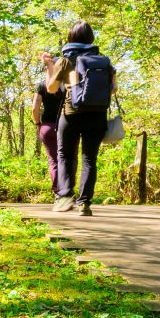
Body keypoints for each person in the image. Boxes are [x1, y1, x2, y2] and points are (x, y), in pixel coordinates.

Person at [50, 21, 114, 216]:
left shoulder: (65, 60)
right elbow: (113, 89)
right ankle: (84, 203)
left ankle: (65, 196)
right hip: (97, 114)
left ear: (71, 37)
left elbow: (52, 88)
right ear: (91, 38)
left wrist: (51, 69)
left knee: (65, 156)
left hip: (71, 114)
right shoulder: (104, 60)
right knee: (89, 159)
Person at [30, 51, 67, 202]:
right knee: (65, 158)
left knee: (53, 160)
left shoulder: (41, 86)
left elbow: (35, 108)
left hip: (47, 127)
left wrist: (38, 123)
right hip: (64, 126)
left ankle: (58, 192)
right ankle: (67, 190)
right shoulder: (67, 86)